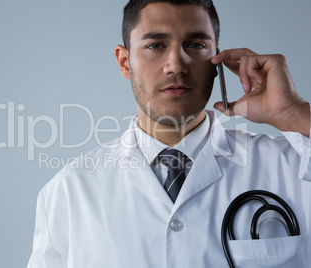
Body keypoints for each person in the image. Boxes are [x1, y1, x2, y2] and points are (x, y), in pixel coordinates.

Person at [27, 0, 311, 267]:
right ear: (125, 61)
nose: (176, 64)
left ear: (217, 60)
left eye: (196, 44)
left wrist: (294, 114)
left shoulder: (293, 164)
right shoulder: (68, 192)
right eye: (156, 45)